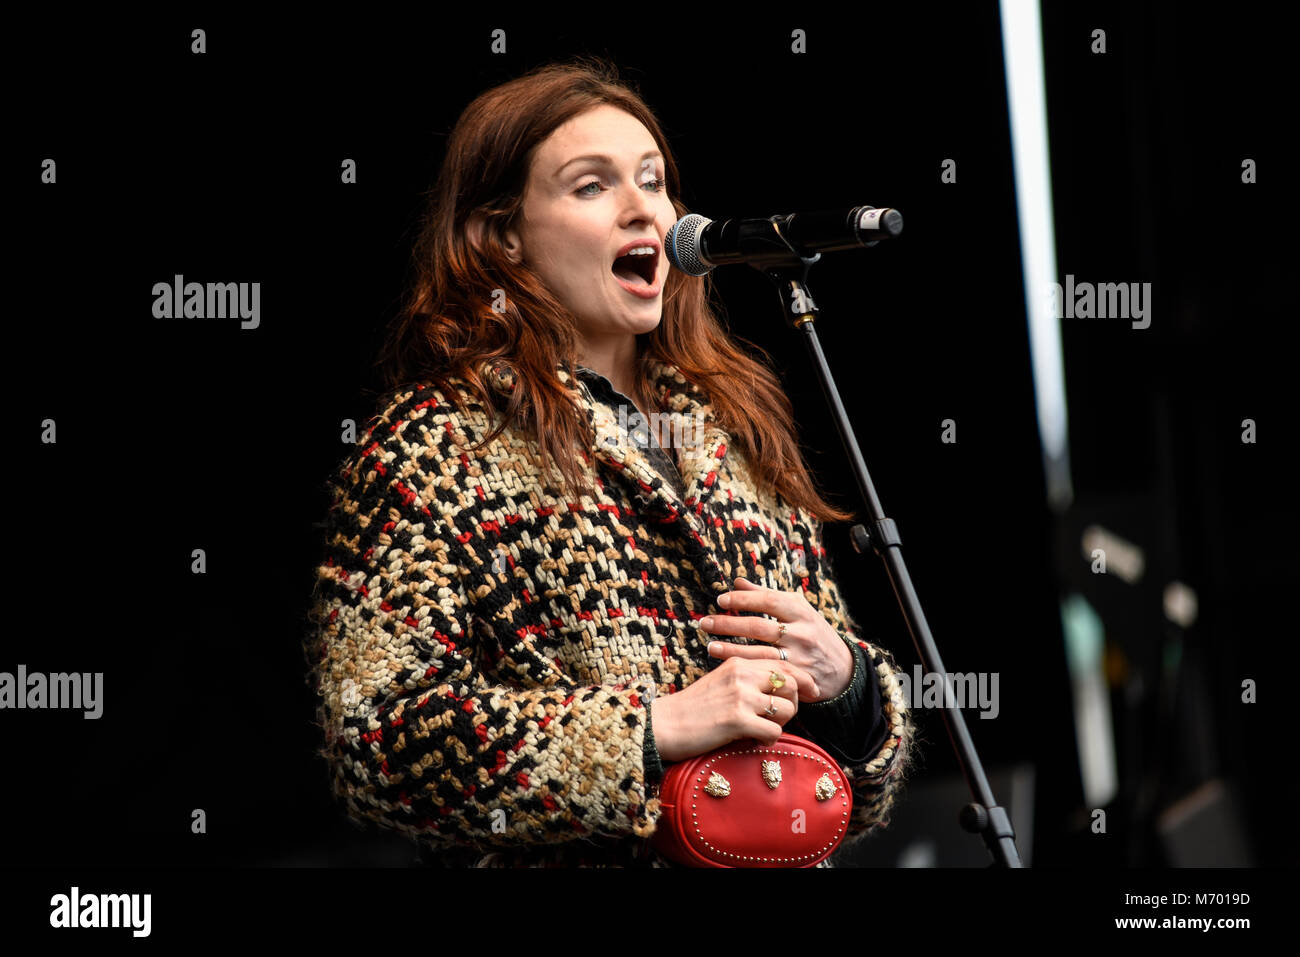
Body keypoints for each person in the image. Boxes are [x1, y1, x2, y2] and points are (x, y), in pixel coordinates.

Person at [305, 56, 915, 867]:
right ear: (502, 237)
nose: (644, 210)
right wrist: (653, 729)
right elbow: (375, 741)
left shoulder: (731, 428)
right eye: (591, 186)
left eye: (654, 180)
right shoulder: (432, 447)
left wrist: (849, 687)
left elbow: (849, 778)